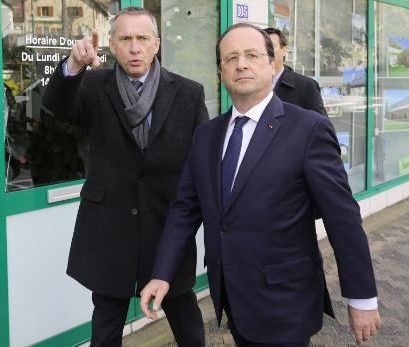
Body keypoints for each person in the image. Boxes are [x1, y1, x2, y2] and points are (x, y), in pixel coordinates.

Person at [140, 23, 381, 346]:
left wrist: (361, 297)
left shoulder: (308, 130)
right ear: (221, 71)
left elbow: (343, 219)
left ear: (272, 63)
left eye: (252, 55)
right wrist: (162, 273)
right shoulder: (207, 136)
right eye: (231, 58)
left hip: (285, 301)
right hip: (230, 295)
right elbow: (185, 208)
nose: (241, 64)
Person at [41, 7, 209, 347]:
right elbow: (56, 105)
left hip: (166, 226)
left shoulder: (188, 93)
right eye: (126, 39)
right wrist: (72, 65)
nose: (135, 48)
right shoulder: (92, 85)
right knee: (106, 323)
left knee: (186, 319)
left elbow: (202, 162)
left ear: (156, 43)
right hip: (109, 227)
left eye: (143, 38)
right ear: (112, 46)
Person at [263, 27, 328, 116]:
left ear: (284, 50)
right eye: (262, 47)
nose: (266, 51)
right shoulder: (249, 83)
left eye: (272, 46)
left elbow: (321, 127)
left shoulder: (307, 87)